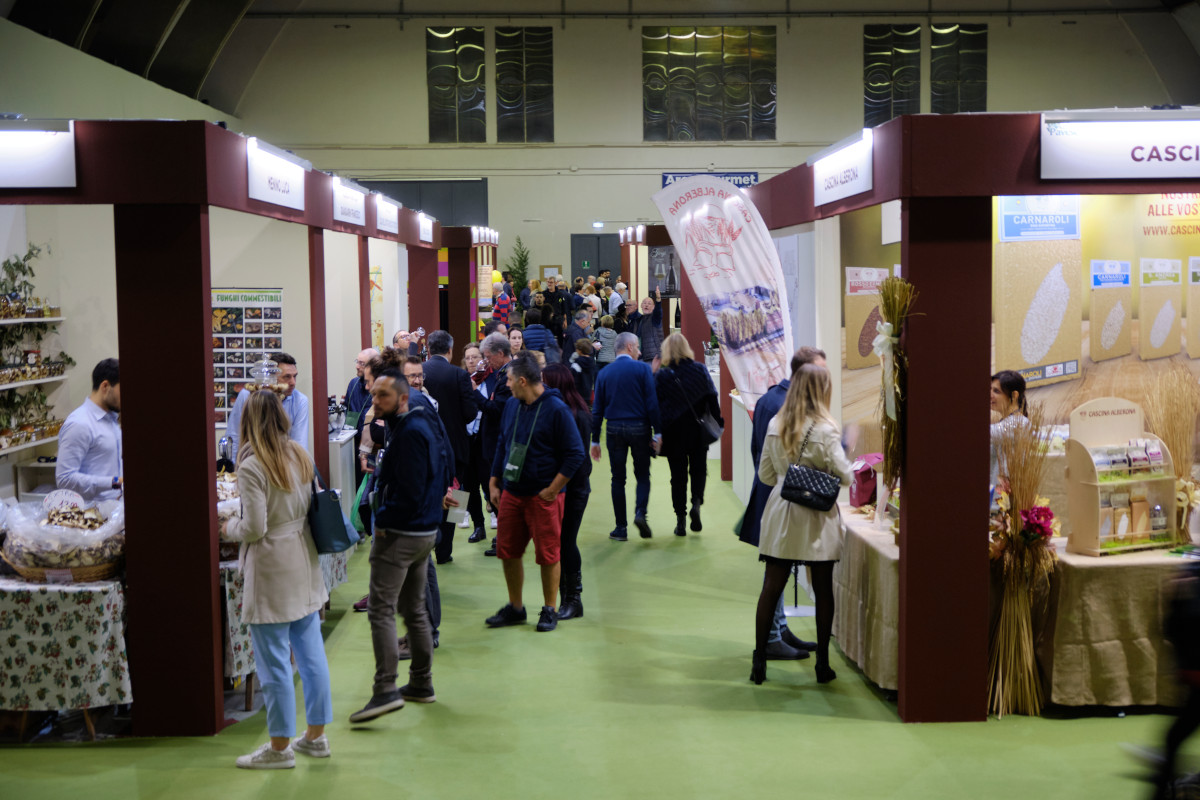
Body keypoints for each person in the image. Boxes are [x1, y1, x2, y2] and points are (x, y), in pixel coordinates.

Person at [223, 390, 331, 768]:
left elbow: (253, 527)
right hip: (304, 556)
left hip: (271, 565)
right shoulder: (299, 453)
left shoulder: (253, 465)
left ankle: (280, 746)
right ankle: (315, 737)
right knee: (310, 653)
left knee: (273, 662)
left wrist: (228, 526)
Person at [349, 368, 456, 723]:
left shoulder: (410, 432)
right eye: (374, 393)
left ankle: (385, 690)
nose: (375, 400)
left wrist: (385, 524)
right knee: (414, 611)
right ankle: (421, 684)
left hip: (402, 534)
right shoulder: (417, 424)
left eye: (383, 395)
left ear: (403, 397)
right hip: (422, 532)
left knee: (381, 610)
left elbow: (408, 492)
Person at [752, 364, 853, 686]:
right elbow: (847, 476)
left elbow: (766, 476)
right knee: (823, 589)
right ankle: (822, 664)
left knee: (772, 586)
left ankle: (759, 661)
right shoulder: (826, 429)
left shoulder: (775, 423)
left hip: (781, 510)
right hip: (817, 515)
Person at [486, 353, 585, 633]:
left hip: (543, 496)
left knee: (548, 554)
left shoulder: (556, 409)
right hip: (512, 492)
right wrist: (494, 481)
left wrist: (553, 489)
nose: (505, 385)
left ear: (522, 380)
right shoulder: (512, 407)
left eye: (508, 379)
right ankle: (516, 608)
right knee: (507, 551)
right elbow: (503, 444)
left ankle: (549, 608)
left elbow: (575, 453)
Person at [740, 346, 827, 660]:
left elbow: (758, 453)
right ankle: (773, 638)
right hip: (784, 499)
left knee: (777, 570)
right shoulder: (788, 407)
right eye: (820, 371)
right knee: (776, 573)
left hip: (771, 494)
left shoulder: (769, 399)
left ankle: (779, 629)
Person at [590, 332, 662, 541]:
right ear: (630, 347)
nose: (639, 351)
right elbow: (652, 403)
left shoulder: (604, 373)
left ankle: (620, 528)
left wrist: (595, 439)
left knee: (617, 479)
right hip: (640, 428)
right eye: (637, 347)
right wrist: (657, 432)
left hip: (613, 429)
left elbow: (597, 410)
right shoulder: (642, 369)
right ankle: (640, 513)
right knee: (642, 475)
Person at [423, 330, 482, 564]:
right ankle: (445, 551)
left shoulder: (419, 373)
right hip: (457, 447)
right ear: (450, 350)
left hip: (426, 446)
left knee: (428, 492)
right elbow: (470, 414)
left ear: (428, 349)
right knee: (457, 493)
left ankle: (426, 544)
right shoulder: (459, 375)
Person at [654, 334, 723, 537]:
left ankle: (680, 520)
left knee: (677, 476)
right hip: (696, 430)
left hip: (672, 431)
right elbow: (712, 397)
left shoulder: (663, 375)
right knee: (699, 470)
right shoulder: (699, 369)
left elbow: (655, 405)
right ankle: (696, 503)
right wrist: (718, 422)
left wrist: (656, 431)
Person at [541, 363, 592, 620]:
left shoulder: (575, 414)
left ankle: (573, 599)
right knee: (559, 543)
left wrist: (559, 485)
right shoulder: (566, 411)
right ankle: (566, 598)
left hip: (573, 489)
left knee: (566, 542)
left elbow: (580, 460)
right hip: (565, 487)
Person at [57, 358, 123, 502]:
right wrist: (115, 482)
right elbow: (64, 479)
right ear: (105, 386)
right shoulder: (79, 423)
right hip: (92, 516)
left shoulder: (111, 419)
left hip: (116, 512)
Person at [227, 352, 309, 461]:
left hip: (283, 463)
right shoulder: (247, 395)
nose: (293, 382)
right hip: (250, 459)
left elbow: (299, 445)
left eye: (295, 376)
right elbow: (234, 435)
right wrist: (233, 469)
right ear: (271, 377)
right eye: (287, 377)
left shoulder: (300, 401)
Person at [479, 332, 515, 557]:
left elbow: (496, 410)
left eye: (487, 356)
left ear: (500, 354)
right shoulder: (500, 374)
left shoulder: (506, 377)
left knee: (501, 493)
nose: (485, 360)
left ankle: (505, 538)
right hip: (495, 442)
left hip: (500, 442)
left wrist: (474, 395)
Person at [459, 343, 489, 544]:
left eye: (475, 357)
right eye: (468, 357)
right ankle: (478, 526)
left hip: (486, 439)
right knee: (468, 486)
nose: (471, 361)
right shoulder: (460, 381)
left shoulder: (491, 380)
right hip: (466, 440)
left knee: (489, 483)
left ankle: (498, 519)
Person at [990, 369, 1030, 490]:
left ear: (1014, 395)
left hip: (1005, 501)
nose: (990, 394)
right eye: (990, 389)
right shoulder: (1008, 421)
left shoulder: (1019, 423)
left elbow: (990, 433)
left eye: (996, 391)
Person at [627, 289, 664, 364]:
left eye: (649, 303)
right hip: (641, 356)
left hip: (653, 356)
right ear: (641, 305)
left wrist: (658, 300)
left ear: (653, 307)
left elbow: (658, 312)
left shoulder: (655, 318)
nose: (646, 305)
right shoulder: (639, 319)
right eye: (644, 303)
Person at [345, 348, 380, 418]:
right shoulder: (353, 384)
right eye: (357, 362)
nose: (357, 366)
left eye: (362, 364)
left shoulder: (380, 387)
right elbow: (347, 410)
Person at [569, 337, 597, 402]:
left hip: (578, 393)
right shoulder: (592, 362)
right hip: (588, 393)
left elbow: (573, 379)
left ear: (579, 350)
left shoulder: (577, 363)